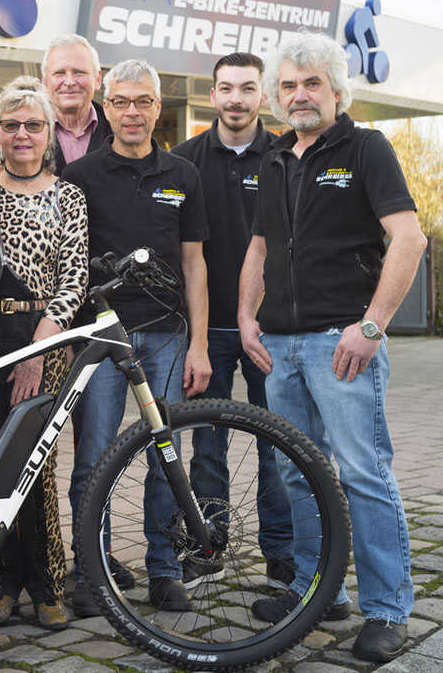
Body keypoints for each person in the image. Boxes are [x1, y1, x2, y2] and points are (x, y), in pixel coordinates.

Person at [239, 32, 425, 662]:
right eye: (288, 85)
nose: (299, 95)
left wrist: (371, 325)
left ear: (337, 92)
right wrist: (245, 318)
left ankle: (387, 608)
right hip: (280, 347)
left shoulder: (366, 147)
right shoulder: (274, 159)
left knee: (363, 474)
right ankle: (317, 592)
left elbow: (409, 239)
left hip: (340, 344)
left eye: (311, 83)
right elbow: (260, 248)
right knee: (296, 470)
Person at [63, 59, 211, 616]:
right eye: (121, 101)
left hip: (169, 337)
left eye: (142, 101)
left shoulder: (183, 175)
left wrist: (198, 343)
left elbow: (196, 265)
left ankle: (165, 570)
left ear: (158, 104)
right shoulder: (82, 178)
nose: (131, 112)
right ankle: (93, 573)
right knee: (95, 459)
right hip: (102, 338)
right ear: (106, 106)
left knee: (165, 456)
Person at [0, 77, 87, 631]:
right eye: (10, 125)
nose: (22, 134)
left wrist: (42, 341)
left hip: (45, 337)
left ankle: (46, 584)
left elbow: (75, 273)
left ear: (49, 133)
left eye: (33, 124)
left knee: (34, 466)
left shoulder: (69, 196)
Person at [170, 53, 295, 593]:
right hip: (208, 331)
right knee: (208, 445)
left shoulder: (289, 156)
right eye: (226, 88)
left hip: (273, 331)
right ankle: (207, 546)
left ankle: (283, 557)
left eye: (247, 88)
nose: (237, 99)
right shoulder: (185, 160)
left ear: (261, 95)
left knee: (281, 447)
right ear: (212, 94)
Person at [41, 34, 110, 172]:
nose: (69, 82)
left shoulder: (118, 130)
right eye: (59, 73)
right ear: (44, 81)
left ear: (97, 79)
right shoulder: (26, 131)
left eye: (79, 72)